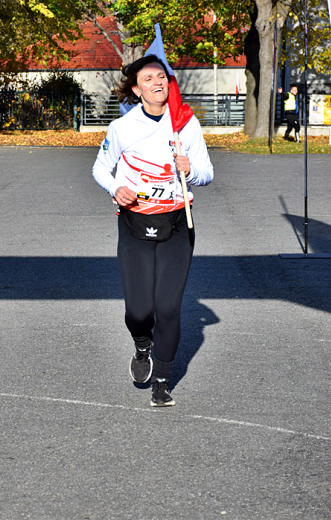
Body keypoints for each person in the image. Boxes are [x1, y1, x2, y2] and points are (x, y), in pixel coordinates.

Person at [92, 55, 214, 407]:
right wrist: (116, 187)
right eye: (148, 79)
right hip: (134, 223)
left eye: (162, 77)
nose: (158, 82)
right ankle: (141, 344)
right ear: (136, 89)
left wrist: (189, 171)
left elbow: (207, 173)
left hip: (177, 223)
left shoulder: (186, 125)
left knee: (169, 306)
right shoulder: (122, 128)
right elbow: (100, 169)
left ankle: (162, 381)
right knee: (140, 311)